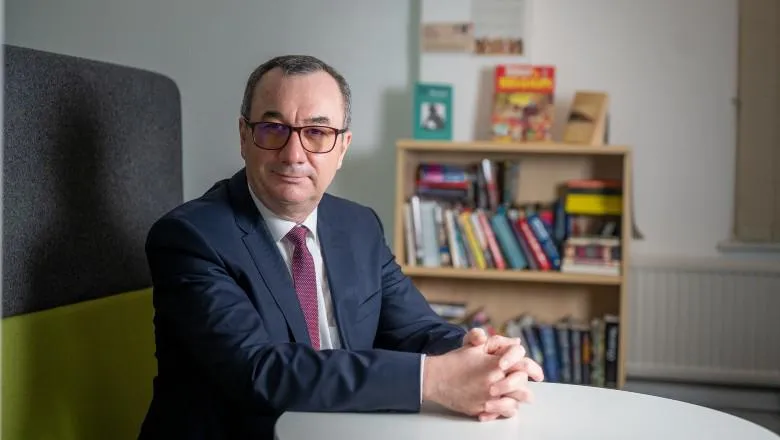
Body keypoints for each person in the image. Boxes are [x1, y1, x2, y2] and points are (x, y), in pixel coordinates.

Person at [137, 55, 544, 440]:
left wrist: (479, 355)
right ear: (244, 136)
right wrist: (434, 379)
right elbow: (260, 371)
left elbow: (415, 329)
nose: (293, 154)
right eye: (273, 129)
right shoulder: (190, 237)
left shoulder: (358, 225)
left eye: (317, 132)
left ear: (343, 147)